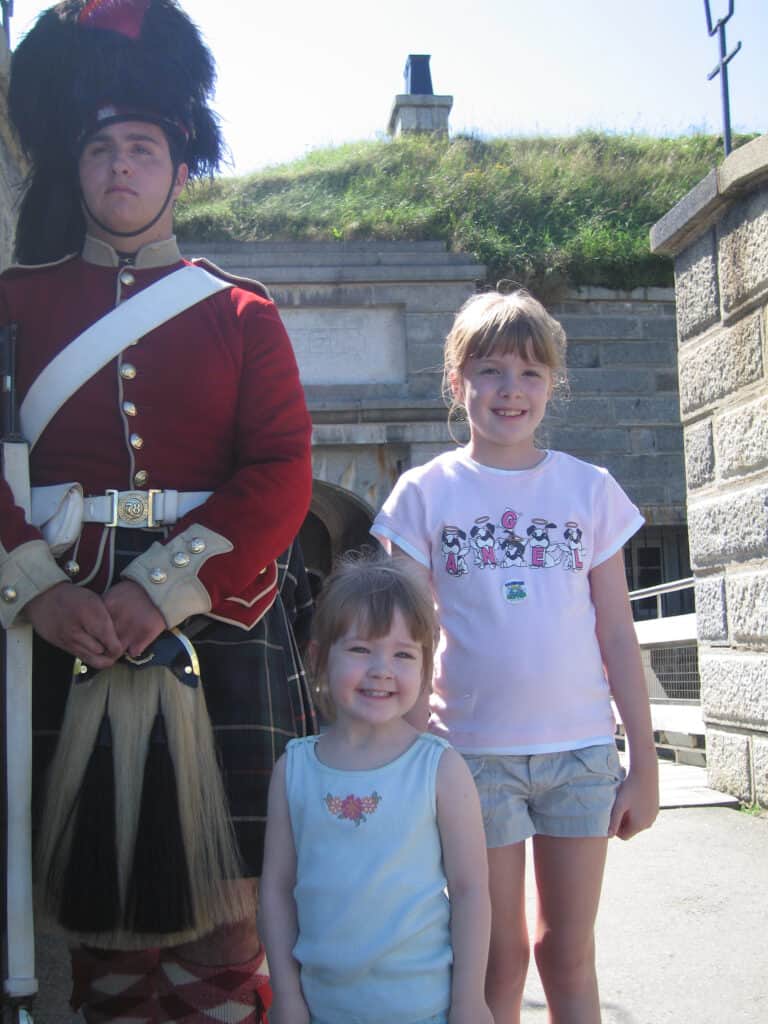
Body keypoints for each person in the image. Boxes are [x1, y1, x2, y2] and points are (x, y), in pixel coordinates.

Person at [0, 2, 314, 1021]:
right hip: (59, 620)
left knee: (227, 934)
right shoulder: (13, 302)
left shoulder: (242, 313)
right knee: (97, 944)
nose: (120, 167)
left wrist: (163, 584)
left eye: (143, 148)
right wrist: (36, 587)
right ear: (75, 166)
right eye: (101, 149)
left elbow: (280, 470)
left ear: (182, 168)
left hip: (213, 621)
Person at [371, 289, 659, 1024]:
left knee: (567, 953)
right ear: (455, 381)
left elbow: (617, 634)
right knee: (498, 960)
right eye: (491, 371)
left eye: (531, 374)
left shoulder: (589, 491)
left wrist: (644, 764)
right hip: (471, 760)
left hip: (583, 757)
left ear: (553, 385)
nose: (510, 391)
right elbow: (401, 638)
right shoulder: (422, 495)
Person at [259, 551, 494, 1024]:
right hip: (320, 1009)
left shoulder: (440, 769)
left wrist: (471, 1000)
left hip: (425, 1009)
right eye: (361, 649)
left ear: (426, 668)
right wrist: (285, 995)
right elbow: (276, 890)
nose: (382, 669)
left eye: (404, 654)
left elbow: (470, 891)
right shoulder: (294, 769)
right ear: (320, 658)